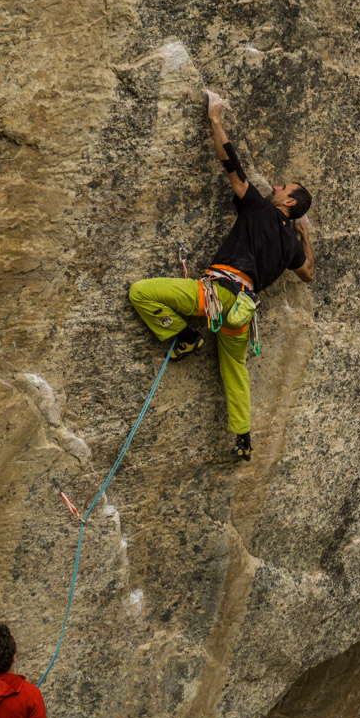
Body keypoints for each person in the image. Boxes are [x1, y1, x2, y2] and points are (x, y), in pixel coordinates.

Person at [127, 90, 316, 461]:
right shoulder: (292, 245)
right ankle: (243, 439)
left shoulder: (260, 208)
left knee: (141, 292)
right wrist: (306, 236)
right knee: (235, 369)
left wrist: (215, 119)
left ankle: (182, 336)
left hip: (216, 294)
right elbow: (308, 273)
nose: (275, 186)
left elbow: (233, 167)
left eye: (283, 188)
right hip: (241, 313)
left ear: (288, 202)